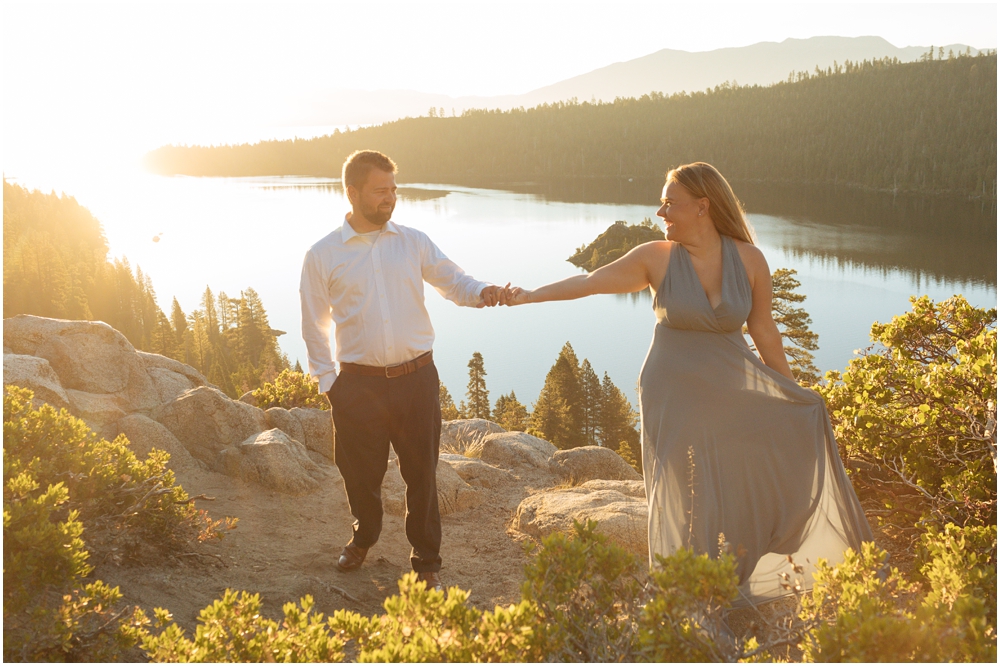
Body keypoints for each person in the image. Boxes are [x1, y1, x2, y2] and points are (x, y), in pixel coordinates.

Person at [505, 162, 872, 603]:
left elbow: (765, 331)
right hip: (672, 393)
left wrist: (792, 393)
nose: (661, 212)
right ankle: (684, 591)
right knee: (686, 492)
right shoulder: (655, 258)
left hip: (729, 395)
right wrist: (528, 295)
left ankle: (729, 581)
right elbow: (589, 281)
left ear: (703, 206)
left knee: (737, 487)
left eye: (670, 203)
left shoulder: (750, 259)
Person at [300, 150, 509, 592]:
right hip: (357, 386)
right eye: (380, 191)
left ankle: (427, 560)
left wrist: (483, 292)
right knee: (360, 475)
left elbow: (453, 280)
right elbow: (313, 323)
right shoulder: (323, 254)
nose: (390, 198)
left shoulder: (413, 241)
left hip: (416, 380)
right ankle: (364, 536)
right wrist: (329, 385)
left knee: (422, 474)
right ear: (352, 192)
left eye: (394, 189)